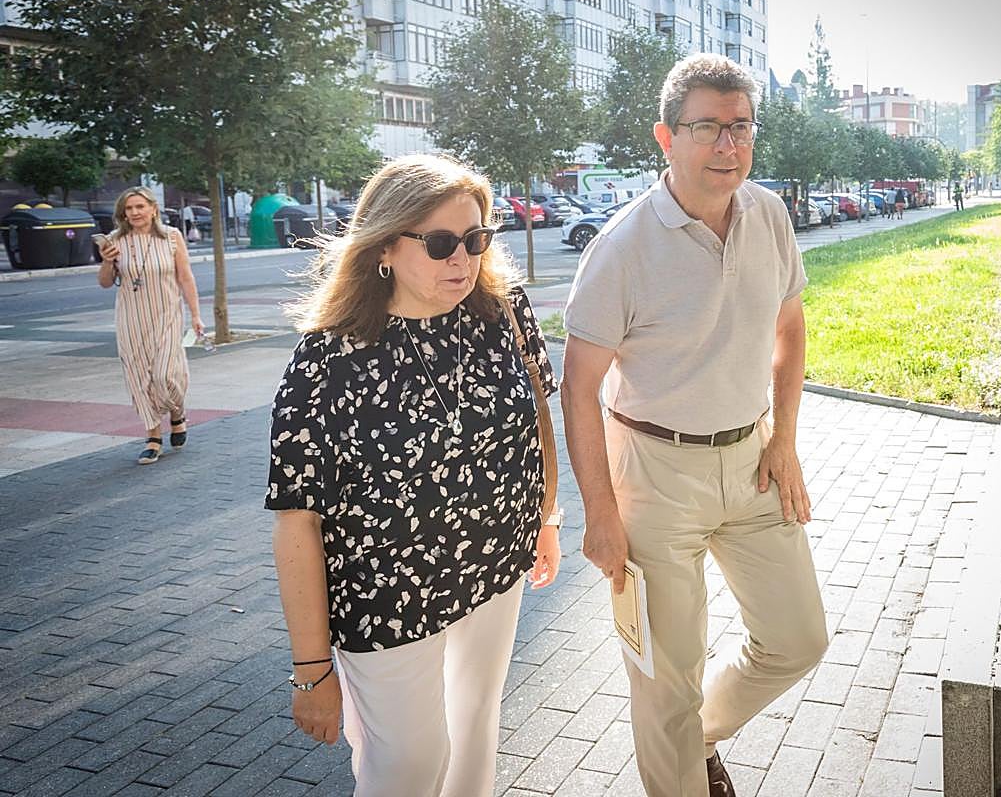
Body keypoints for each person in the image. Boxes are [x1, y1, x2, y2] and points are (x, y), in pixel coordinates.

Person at [561, 54, 828, 797]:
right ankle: (680, 762)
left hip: (752, 461)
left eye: (741, 127)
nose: (728, 145)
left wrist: (784, 442)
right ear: (666, 136)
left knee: (799, 640)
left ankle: (695, 737)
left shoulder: (769, 215)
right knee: (664, 677)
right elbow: (577, 388)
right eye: (707, 127)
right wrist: (600, 515)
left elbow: (791, 329)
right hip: (655, 474)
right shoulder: (621, 247)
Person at [265, 154, 562, 797]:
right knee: (409, 763)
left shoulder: (505, 310)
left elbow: (537, 417)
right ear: (384, 247)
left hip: (497, 558)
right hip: (385, 593)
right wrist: (312, 668)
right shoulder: (327, 356)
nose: (463, 259)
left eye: (476, 239)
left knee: (475, 728)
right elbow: (296, 519)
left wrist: (546, 517)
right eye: (440, 243)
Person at [96, 187, 204, 464]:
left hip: (167, 315)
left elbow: (186, 277)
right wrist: (107, 261)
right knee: (139, 378)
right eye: (129, 208)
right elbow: (105, 282)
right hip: (131, 318)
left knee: (165, 375)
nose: (134, 213)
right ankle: (153, 436)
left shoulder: (171, 236)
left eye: (140, 206)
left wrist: (195, 315)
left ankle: (177, 412)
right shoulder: (115, 240)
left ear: (153, 209)